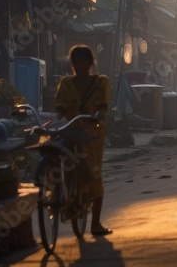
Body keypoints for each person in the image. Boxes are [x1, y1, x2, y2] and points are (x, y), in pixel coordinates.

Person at [55, 45, 112, 236]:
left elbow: (103, 107)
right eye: (75, 61)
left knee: (94, 174)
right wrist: (56, 118)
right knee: (70, 169)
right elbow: (60, 107)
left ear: (90, 62)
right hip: (71, 130)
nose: (79, 65)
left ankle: (95, 223)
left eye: (83, 61)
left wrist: (96, 116)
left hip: (93, 132)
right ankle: (72, 202)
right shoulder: (66, 83)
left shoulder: (100, 82)